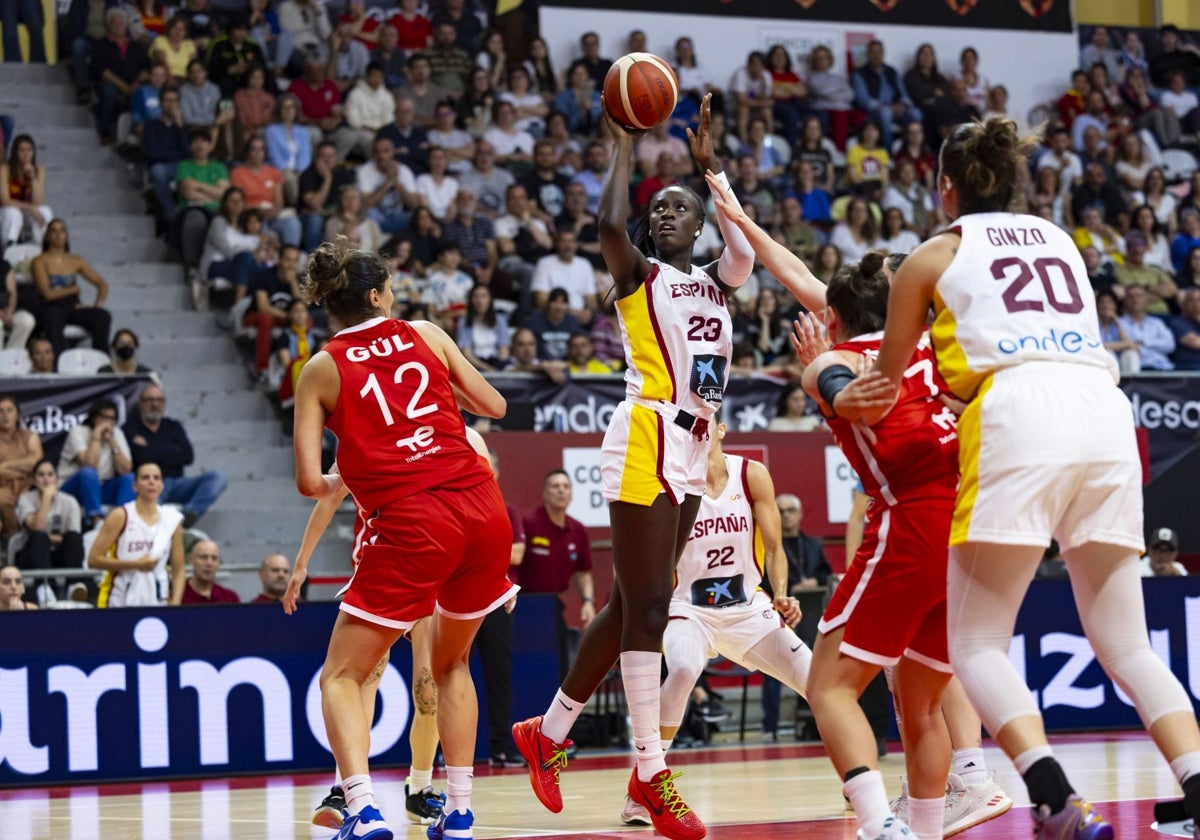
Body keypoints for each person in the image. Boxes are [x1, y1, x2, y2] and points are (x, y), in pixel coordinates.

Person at [868, 115, 1200, 839]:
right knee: (1129, 645)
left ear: (946, 188)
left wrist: (842, 383)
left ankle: (1054, 799)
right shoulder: (1063, 241)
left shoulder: (930, 256)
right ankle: (1198, 785)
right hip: (1105, 407)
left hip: (1019, 410)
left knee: (978, 643)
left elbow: (887, 382)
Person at [511, 93, 753, 840]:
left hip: (692, 443)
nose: (667, 216)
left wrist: (711, 171)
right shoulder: (640, 277)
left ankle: (546, 734)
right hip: (647, 429)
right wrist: (621, 144)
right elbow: (609, 224)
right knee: (650, 608)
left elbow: (745, 245)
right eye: (662, 211)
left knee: (630, 606)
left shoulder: (719, 278)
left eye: (682, 208)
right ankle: (653, 773)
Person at [289, 238, 516, 840]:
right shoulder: (427, 332)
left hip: (415, 521)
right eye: (388, 288)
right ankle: (460, 811)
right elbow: (493, 402)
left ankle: (361, 810)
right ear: (374, 295)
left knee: (341, 675)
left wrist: (361, 465)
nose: (393, 296)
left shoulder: (321, 368)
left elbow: (312, 482)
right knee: (452, 665)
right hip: (482, 509)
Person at [795, 253, 959, 840]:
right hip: (965, 534)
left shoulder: (835, 359)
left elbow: (843, 392)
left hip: (910, 524)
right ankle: (929, 831)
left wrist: (823, 374)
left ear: (831, 319)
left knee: (829, 687)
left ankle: (879, 825)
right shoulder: (933, 348)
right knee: (921, 707)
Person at [619, 422, 810, 824]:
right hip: (689, 609)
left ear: (720, 429)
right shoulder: (672, 484)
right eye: (690, 428)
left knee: (818, 681)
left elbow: (775, 548)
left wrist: (781, 593)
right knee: (686, 668)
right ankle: (645, 783)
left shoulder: (751, 474)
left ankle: (854, 781)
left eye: (706, 426)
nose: (699, 433)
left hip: (747, 608)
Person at [124, 383, 228, 527]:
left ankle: (186, 517)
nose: (155, 404)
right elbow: (139, 458)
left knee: (218, 477)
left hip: (179, 483)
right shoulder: (130, 428)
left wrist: (151, 449)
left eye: (159, 400)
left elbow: (188, 456)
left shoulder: (173, 426)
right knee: (150, 510)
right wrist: (171, 449)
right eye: (150, 400)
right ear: (141, 403)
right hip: (151, 482)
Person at [87, 461, 185, 607]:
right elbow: (94, 560)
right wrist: (135, 564)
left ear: (162, 486)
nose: (151, 482)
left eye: (156, 478)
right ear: (135, 486)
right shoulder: (120, 515)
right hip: (120, 598)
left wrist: (176, 603)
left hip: (158, 598)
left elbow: (179, 569)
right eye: (145, 478)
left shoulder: (171, 519)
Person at [516, 470, 596, 634]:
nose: (561, 490)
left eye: (566, 486)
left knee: (558, 655)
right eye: (555, 486)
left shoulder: (577, 529)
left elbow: (582, 572)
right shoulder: (528, 521)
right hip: (522, 604)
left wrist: (587, 601)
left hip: (553, 604)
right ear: (545, 493)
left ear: (571, 493)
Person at [30, 218, 112, 354]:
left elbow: (102, 284)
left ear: (67, 236)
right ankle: (56, 364)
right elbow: (47, 294)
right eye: (54, 231)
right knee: (52, 316)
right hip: (50, 307)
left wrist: (98, 305)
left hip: (72, 306)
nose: (58, 235)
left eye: (62, 231)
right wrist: (73, 289)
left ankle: (102, 361)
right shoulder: (39, 261)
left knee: (102, 316)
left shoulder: (76, 260)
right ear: (47, 236)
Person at [58, 398, 134, 527]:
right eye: (104, 417)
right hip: (73, 489)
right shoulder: (78, 431)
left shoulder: (117, 433)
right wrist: (97, 436)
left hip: (102, 487)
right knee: (88, 473)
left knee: (129, 479)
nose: (108, 422)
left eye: (112, 419)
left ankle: (121, 522)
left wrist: (112, 442)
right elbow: (89, 464)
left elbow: (125, 469)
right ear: (94, 417)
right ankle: (96, 520)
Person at [14, 460, 84, 600]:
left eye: (50, 474)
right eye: (41, 475)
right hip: (32, 556)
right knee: (39, 538)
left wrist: (49, 537)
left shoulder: (70, 501)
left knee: (73, 539)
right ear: (34, 480)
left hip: (59, 555)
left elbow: (74, 537)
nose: (46, 479)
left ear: (56, 479)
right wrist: (46, 498)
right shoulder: (25, 499)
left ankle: (73, 588)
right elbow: (38, 529)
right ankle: (45, 589)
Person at [0, 394, 42, 541]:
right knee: (2, 499)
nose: (5, 415)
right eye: (1, 411)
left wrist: (5, 465)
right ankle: (12, 539)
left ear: (17, 414)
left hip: (28, 484)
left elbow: (36, 462)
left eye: (9, 410)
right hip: (2, 486)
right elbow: (28, 463)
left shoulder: (29, 436)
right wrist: (22, 466)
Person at [0, 134, 52, 249]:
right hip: (7, 213)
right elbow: (5, 201)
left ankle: (43, 247)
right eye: (21, 150)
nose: (26, 154)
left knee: (45, 210)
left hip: (28, 213)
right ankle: (9, 247)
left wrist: (33, 178)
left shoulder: (39, 169)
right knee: (13, 213)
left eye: (29, 150)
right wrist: (30, 207)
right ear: (15, 153)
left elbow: (39, 202)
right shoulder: (5, 169)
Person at [181, 538, 240, 604]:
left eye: (214, 558)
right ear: (191, 560)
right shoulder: (177, 596)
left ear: (219, 563)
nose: (209, 563)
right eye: (203, 557)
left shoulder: (230, 598)